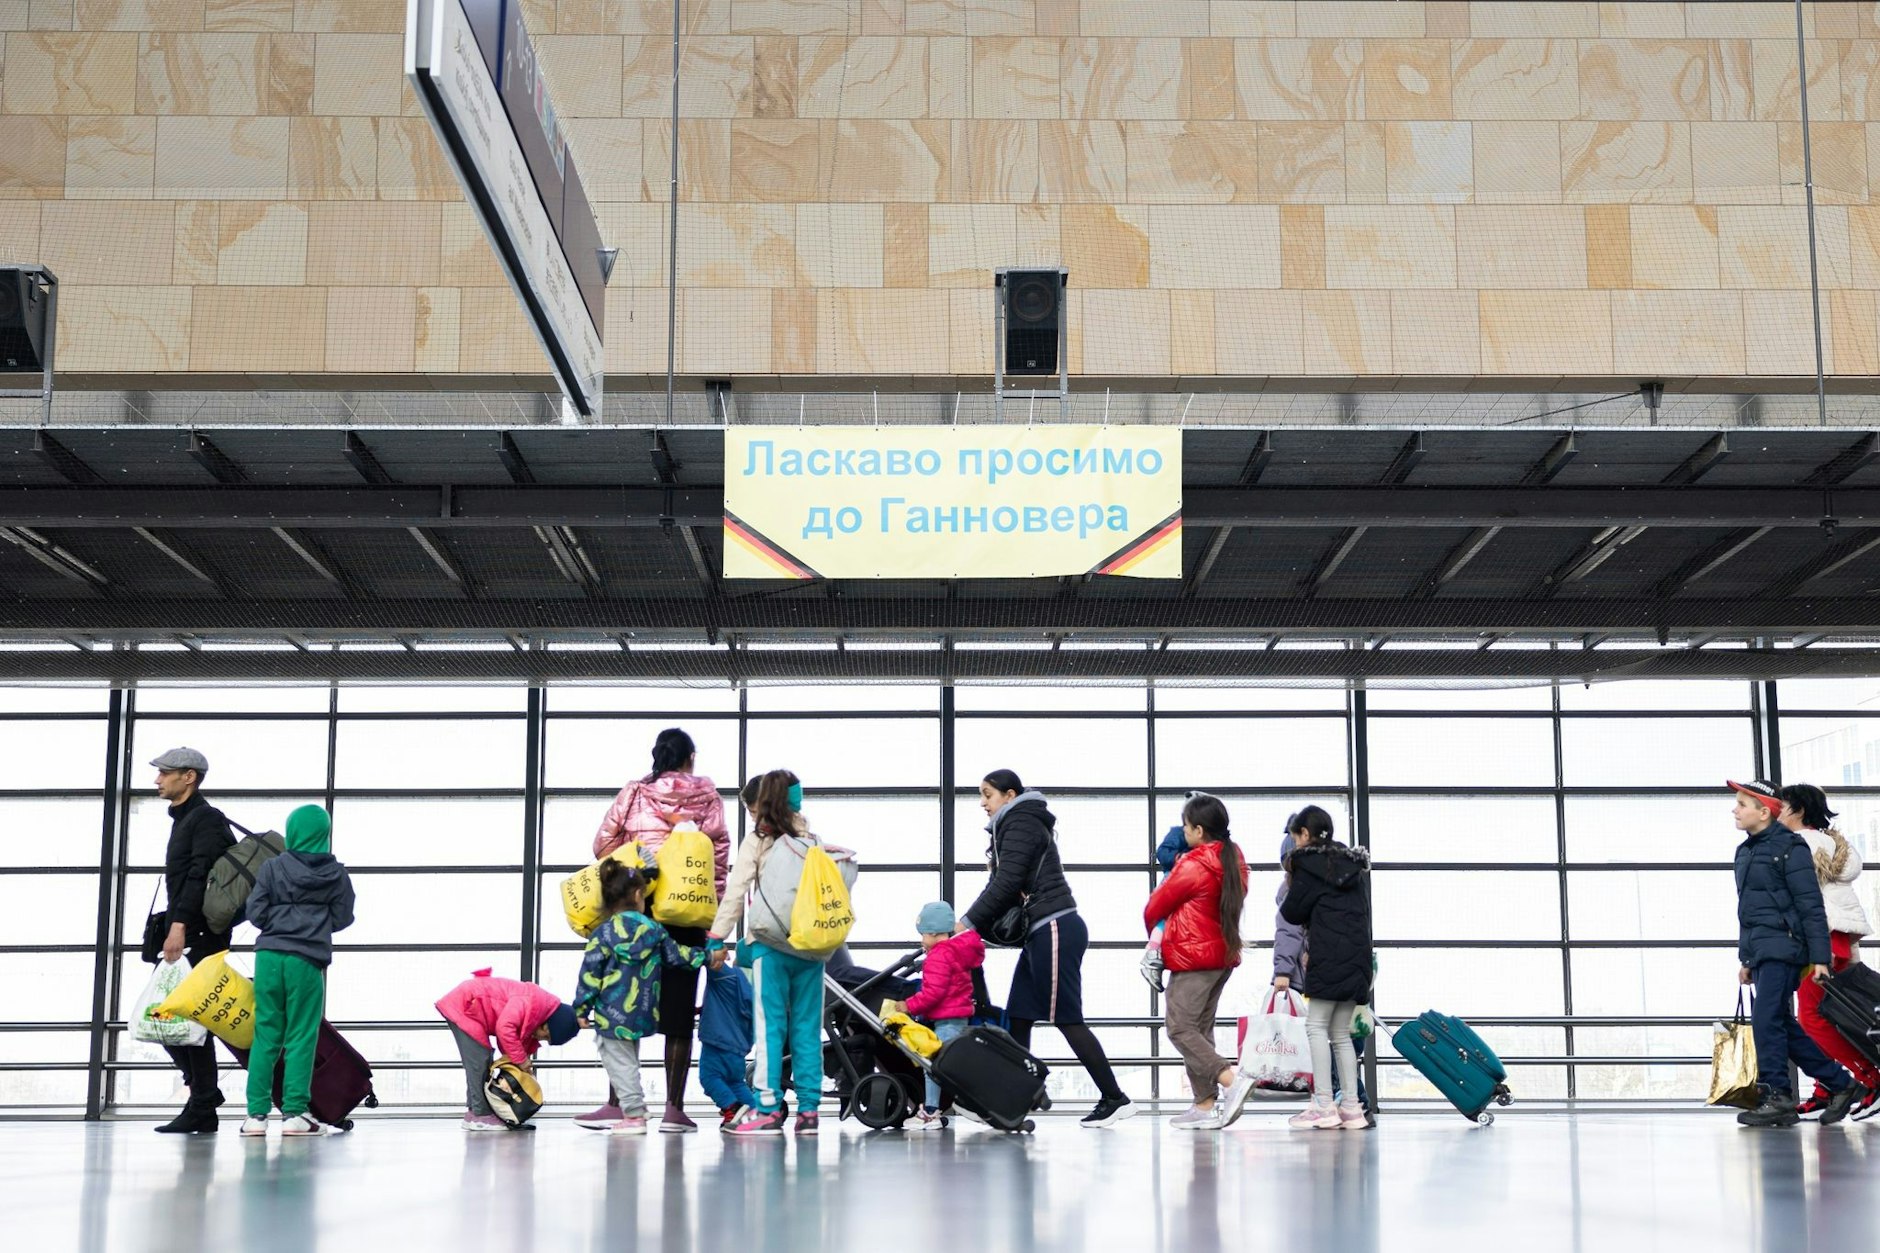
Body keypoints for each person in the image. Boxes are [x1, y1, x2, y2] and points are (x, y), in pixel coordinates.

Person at [959, 769, 1135, 1127]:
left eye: (987, 794)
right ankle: (1012, 1099)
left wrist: (965, 923)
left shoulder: (1021, 821)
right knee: (1020, 1016)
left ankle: (1115, 1098)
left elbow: (1007, 883)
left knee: (1066, 1018)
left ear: (1009, 795)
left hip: (1054, 926)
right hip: (1042, 930)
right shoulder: (1014, 824)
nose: (982, 803)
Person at [581, 727, 731, 1133]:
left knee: (620, 1000)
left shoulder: (634, 793)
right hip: (689, 915)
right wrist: (713, 921)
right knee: (680, 1012)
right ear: (690, 757)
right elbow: (719, 860)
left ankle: (619, 1102)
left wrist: (639, 864)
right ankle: (673, 1109)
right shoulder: (709, 798)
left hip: (637, 909)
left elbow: (602, 845)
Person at [1727, 779, 1863, 1128]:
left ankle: (1779, 1096)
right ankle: (1840, 1083)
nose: (1735, 810)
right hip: (1764, 950)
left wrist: (1819, 958)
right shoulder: (1746, 851)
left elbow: (1811, 906)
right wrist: (1746, 959)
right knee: (1778, 1021)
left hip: (1787, 949)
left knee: (1766, 1019)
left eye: (1742, 804)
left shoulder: (1791, 848)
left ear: (1764, 811)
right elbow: (1748, 912)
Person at [709, 769, 832, 1137]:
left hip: (770, 947)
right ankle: (809, 1112)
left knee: (771, 1028)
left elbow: (736, 891)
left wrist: (718, 937)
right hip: (810, 948)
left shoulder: (758, 841)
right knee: (808, 1029)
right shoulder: (812, 839)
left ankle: (767, 1108)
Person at [240, 804, 355, 1138]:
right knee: (302, 1036)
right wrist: (315, 925)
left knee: (266, 1034)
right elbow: (344, 917)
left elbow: (255, 912)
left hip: (270, 957)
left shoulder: (272, 868)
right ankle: (294, 1114)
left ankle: (255, 1117)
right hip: (307, 958)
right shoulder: (336, 874)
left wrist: (280, 923)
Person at [572, 858, 709, 1136]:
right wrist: (706, 956)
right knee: (628, 1061)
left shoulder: (604, 934)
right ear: (638, 896)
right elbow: (678, 957)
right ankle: (631, 1109)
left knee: (619, 1061)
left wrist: (581, 1008)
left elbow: (590, 974)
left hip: (612, 1014)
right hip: (645, 1012)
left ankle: (634, 1114)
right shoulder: (654, 930)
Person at [1144, 793, 1253, 1130]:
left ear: (1199, 830)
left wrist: (1157, 937)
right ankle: (1203, 1104)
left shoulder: (1194, 864)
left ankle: (1230, 1080)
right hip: (1221, 956)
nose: (1183, 830)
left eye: (1186, 826)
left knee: (1179, 1027)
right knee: (1200, 1029)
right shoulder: (1235, 860)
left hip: (1193, 957)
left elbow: (1155, 905)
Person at [150, 747, 241, 1134]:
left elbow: (199, 875)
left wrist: (180, 926)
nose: (158, 780)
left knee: (176, 1016)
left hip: (198, 934)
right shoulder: (186, 819)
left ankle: (203, 1100)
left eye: (165, 773)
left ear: (189, 777)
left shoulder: (205, 819)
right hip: (191, 931)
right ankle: (203, 1097)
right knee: (169, 1017)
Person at [1780, 782, 1880, 1118]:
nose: (1777, 812)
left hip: (1818, 937)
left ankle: (1868, 1077)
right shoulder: (1829, 845)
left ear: (1799, 810)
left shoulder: (1801, 843)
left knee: (1810, 1016)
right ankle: (1827, 1087)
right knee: (1824, 1013)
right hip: (1834, 936)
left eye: (1782, 806)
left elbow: (1800, 898)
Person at [1279, 804, 1372, 1131]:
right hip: (1357, 959)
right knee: (1341, 1034)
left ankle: (1322, 1105)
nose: (1295, 845)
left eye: (1295, 837)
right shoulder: (1353, 865)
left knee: (1316, 1027)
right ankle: (1351, 1108)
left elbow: (1291, 911)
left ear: (1304, 834)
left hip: (1328, 957)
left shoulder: (1309, 865)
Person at [883, 901, 985, 1130]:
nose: (921, 941)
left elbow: (933, 993)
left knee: (934, 1065)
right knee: (944, 1065)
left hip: (947, 1021)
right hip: (957, 1018)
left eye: (923, 935)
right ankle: (939, 1109)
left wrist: (908, 1006)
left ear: (933, 933)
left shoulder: (939, 956)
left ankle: (930, 1113)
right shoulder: (958, 951)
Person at [435, 971, 581, 1131]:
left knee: (481, 1060)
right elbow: (505, 1028)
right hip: (465, 1004)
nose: (540, 1040)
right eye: (545, 1036)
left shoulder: (534, 1007)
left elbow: (508, 1041)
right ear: (546, 1024)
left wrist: (518, 1062)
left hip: (470, 1005)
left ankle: (475, 1113)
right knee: (479, 1060)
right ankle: (480, 1115)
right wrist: (521, 1060)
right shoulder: (528, 1001)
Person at [697, 959, 759, 1128]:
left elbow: (709, 957)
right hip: (738, 1046)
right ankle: (755, 1112)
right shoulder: (752, 989)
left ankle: (731, 1108)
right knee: (735, 1082)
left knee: (708, 1078)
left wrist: (716, 946)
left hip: (717, 1040)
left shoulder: (725, 976)